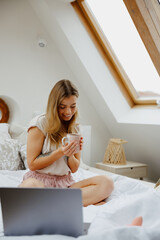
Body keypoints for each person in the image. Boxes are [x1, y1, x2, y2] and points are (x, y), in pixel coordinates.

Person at [20, 79, 114, 207]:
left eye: (73, 106)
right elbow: (32, 164)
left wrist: (69, 154)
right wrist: (60, 152)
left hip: (65, 185)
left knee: (106, 182)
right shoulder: (39, 124)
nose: (68, 112)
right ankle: (69, 203)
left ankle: (52, 204)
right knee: (28, 186)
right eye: (63, 107)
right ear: (54, 106)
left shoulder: (75, 129)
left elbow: (74, 168)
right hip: (39, 182)